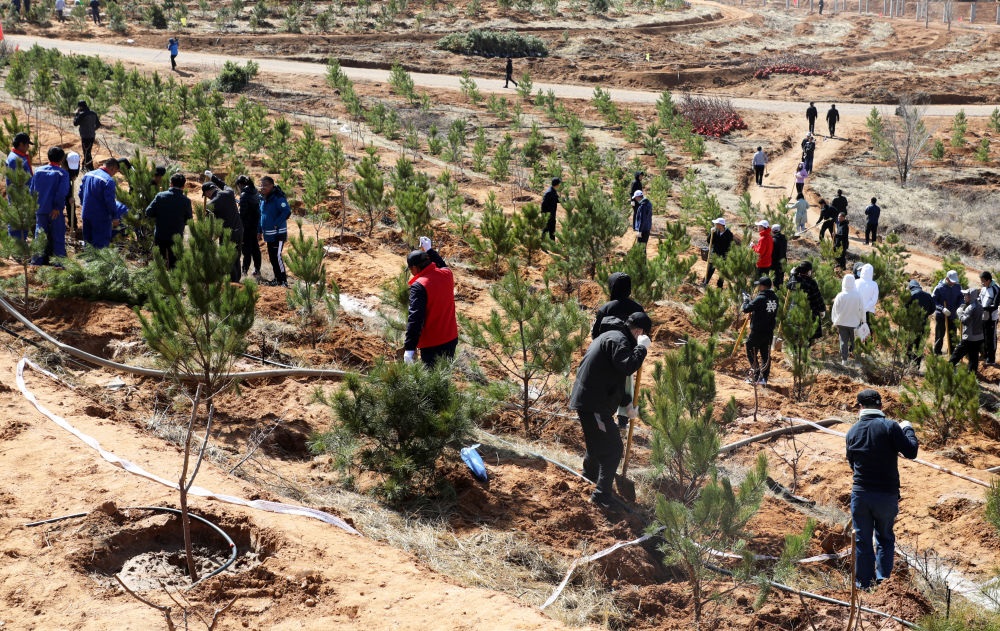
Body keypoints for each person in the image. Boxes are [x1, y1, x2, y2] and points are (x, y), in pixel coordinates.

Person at [569, 311, 650, 508]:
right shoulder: (619, 340)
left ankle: (589, 477)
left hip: (591, 399)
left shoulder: (612, 337)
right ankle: (601, 496)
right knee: (613, 448)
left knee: (598, 443)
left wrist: (626, 403)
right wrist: (641, 348)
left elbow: (613, 375)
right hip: (594, 403)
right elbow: (627, 366)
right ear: (639, 331)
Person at [846, 388, 918, 591]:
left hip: (861, 494)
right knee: (885, 538)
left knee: (862, 540)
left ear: (860, 407)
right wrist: (908, 429)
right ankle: (884, 584)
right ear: (880, 406)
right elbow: (911, 452)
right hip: (886, 495)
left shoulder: (852, 432)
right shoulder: (890, 427)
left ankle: (863, 585)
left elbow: (852, 464)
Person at [592, 272, 647, 428]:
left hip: (606, 356)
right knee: (626, 387)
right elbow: (644, 330)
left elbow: (596, 334)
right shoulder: (637, 308)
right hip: (628, 357)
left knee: (605, 387)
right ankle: (623, 422)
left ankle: (601, 419)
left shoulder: (606, 308)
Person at [404, 236, 458, 367]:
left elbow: (415, 318)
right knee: (444, 378)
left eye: (410, 269)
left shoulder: (419, 285)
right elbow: (441, 265)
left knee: (431, 384)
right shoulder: (447, 275)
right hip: (451, 338)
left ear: (415, 268)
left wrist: (409, 348)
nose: (411, 273)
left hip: (432, 344)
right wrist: (429, 250)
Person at [29, 147, 71, 266]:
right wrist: (57, 207)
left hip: (40, 209)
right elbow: (62, 192)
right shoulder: (62, 173)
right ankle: (59, 264)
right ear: (62, 159)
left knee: (40, 237)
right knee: (58, 237)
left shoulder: (38, 171)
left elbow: (32, 190)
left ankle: (36, 263)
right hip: (54, 211)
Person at [145, 172, 192, 269]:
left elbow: (148, 212)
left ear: (170, 183)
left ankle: (159, 283)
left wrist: (159, 215)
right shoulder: (186, 201)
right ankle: (174, 283)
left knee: (159, 264)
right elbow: (189, 220)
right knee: (175, 265)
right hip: (176, 236)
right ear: (183, 186)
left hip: (160, 234)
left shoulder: (160, 196)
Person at [203, 172, 243, 283]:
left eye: (205, 194)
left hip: (227, 234)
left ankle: (232, 283)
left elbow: (208, 220)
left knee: (227, 257)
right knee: (236, 256)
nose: (206, 197)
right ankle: (237, 281)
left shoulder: (212, 203)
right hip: (239, 230)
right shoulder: (229, 192)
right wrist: (212, 177)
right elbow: (223, 184)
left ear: (208, 192)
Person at [79, 158, 127, 249]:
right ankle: (98, 263)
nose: (114, 175)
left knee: (88, 243)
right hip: (101, 218)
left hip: (86, 214)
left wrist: (84, 205)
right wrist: (115, 217)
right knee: (100, 245)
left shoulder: (88, 174)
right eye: (115, 172)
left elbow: (81, 193)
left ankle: (87, 262)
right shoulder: (108, 180)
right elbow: (110, 201)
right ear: (112, 168)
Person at [742, 277, 779, 386]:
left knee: (750, 349)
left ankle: (756, 375)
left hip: (758, 331)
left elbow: (746, 309)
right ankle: (763, 379)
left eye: (759, 285)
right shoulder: (775, 298)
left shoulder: (761, 298)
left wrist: (746, 300)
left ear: (763, 286)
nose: (758, 287)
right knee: (765, 355)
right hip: (769, 331)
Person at [259, 175, 290, 287]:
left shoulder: (278, 198)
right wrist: (259, 231)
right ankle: (277, 279)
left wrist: (276, 224)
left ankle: (283, 281)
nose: (262, 187)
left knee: (277, 257)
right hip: (269, 235)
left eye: (265, 185)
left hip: (278, 234)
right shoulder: (263, 199)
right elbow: (261, 216)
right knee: (272, 257)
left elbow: (286, 211)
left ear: (272, 186)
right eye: (261, 185)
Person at [787, 261, 826, 343]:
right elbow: (817, 298)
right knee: (807, 334)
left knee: (795, 332)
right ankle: (804, 349)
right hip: (808, 312)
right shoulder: (811, 282)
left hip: (794, 310)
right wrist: (822, 309)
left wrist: (792, 274)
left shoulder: (794, 279)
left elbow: (788, 285)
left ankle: (794, 351)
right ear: (809, 271)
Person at [6, 131, 34, 240]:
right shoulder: (15, 159)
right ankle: (17, 247)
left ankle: (20, 244)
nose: (28, 147)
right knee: (17, 222)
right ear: (21, 144)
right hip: (19, 196)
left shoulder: (18, 156)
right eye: (27, 145)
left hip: (23, 195)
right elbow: (18, 181)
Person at [832, 273, 865, 362]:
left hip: (842, 322)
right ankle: (857, 360)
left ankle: (844, 360)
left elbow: (835, 309)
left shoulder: (840, 295)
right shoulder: (858, 295)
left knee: (843, 342)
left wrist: (834, 321)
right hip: (855, 323)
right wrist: (864, 320)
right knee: (855, 342)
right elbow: (862, 309)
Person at [235, 174, 262, 279]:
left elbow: (243, 213)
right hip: (255, 225)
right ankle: (257, 270)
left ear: (240, 185)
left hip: (246, 226)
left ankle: (244, 271)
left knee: (246, 250)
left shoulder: (244, 195)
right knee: (255, 248)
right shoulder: (254, 191)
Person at [951, 288, 984, 374]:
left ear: (970, 296)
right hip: (979, 337)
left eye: (966, 295)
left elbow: (965, 321)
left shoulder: (970, 308)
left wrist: (960, 313)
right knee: (974, 358)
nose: (964, 296)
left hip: (969, 338)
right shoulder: (980, 305)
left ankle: (948, 370)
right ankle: (971, 376)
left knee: (956, 354)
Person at [905, 280, 936, 366]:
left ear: (911, 287)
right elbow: (933, 308)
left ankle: (908, 364)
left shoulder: (911, 295)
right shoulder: (928, 295)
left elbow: (905, 308)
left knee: (910, 344)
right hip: (924, 322)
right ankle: (917, 365)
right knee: (920, 344)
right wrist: (925, 314)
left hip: (912, 323)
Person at [932, 270, 963, 355]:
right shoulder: (939, 288)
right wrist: (942, 309)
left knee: (952, 335)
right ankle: (937, 353)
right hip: (941, 315)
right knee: (940, 334)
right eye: (951, 281)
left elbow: (961, 297)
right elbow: (933, 301)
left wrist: (961, 305)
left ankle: (952, 353)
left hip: (952, 315)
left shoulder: (958, 287)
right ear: (947, 279)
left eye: (954, 282)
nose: (953, 283)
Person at [704, 217, 733, 288]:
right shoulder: (715, 231)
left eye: (716, 224)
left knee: (722, 272)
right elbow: (709, 241)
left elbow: (730, 246)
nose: (715, 225)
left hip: (723, 255)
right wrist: (711, 233)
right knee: (710, 268)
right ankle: (705, 282)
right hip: (715, 254)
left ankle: (720, 286)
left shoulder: (729, 234)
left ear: (720, 225)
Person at [73, 101, 102, 171]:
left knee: (86, 152)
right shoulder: (93, 113)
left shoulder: (82, 114)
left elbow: (75, 123)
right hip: (92, 135)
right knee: (87, 151)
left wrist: (76, 114)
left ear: (80, 107)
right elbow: (98, 125)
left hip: (85, 136)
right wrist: (92, 129)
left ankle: (90, 168)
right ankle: (84, 166)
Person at [980, 271, 999, 366]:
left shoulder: (996, 289)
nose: (982, 283)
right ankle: (985, 355)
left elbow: (995, 306)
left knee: (991, 338)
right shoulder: (983, 288)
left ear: (989, 280)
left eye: (983, 281)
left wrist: (983, 308)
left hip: (992, 318)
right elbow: (980, 299)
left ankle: (991, 359)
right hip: (983, 316)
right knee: (983, 337)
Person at [64, 150, 81, 234]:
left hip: (67, 180)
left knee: (71, 205)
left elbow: (76, 171)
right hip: (61, 182)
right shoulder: (63, 160)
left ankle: (73, 225)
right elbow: (64, 183)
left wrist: (74, 175)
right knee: (67, 201)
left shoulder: (76, 158)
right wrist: (69, 195)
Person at [541, 177, 560, 241]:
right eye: (559, 184)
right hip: (548, 215)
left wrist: (566, 200)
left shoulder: (553, 191)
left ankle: (552, 245)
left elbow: (558, 199)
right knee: (546, 229)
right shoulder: (549, 192)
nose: (559, 185)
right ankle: (542, 244)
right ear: (557, 184)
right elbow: (543, 204)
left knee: (552, 230)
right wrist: (545, 215)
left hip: (552, 214)